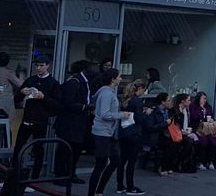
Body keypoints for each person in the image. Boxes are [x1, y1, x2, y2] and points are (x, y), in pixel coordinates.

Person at [12, 54, 61, 180]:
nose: (38, 68)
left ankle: (35, 177)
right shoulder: (30, 80)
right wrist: (21, 93)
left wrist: (44, 97)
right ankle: (14, 173)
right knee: (18, 147)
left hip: (41, 120)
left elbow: (58, 105)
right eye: (37, 65)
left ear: (47, 66)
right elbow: (16, 99)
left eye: (41, 66)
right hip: (27, 118)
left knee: (38, 148)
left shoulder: (53, 83)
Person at [87, 68, 131, 196]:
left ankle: (99, 190)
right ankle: (93, 192)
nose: (120, 79)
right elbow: (105, 114)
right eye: (119, 76)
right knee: (100, 164)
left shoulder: (108, 92)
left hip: (108, 132)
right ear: (113, 79)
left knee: (115, 161)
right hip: (103, 132)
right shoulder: (107, 93)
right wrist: (121, 115)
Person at [54, 60, 93, 185]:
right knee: (65, 149)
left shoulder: (84, 82)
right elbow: (67, 103)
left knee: (76, 149)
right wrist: (85, 107)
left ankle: (70, 174)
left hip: (79, 121)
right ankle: (60, 176)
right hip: (69, 122)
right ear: (85, 69)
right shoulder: (74, 81)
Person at [116, 79, 147, 195]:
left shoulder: (125, 100)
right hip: (134, 133)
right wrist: (145, 114)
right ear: (140, 88)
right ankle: (130, 186)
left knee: (122, 159)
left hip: (123, 132)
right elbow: (139, 119)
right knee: (131, 161)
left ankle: (120, 185)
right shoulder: (137, 101)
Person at [189, 91, 216, 171]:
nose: (205, 100)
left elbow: (211, 116)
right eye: (203, 98)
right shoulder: (193, 106)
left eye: (205, 99)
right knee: (203, 140)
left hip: (207, 129)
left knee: (214, 139)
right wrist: (200, 108)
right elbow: (194, 117)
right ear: (199, 99)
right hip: (197, 128)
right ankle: (200, 162)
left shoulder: (208, 107)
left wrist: (211, 120)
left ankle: (211, 161)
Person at [0, 52, 24, 119]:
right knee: (6, 123)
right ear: (7, 61)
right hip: (6, 101)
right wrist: (21, 74)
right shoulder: (8, 72)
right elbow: (20, 84)